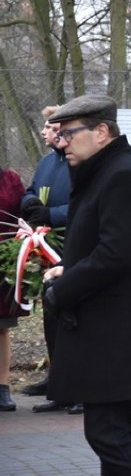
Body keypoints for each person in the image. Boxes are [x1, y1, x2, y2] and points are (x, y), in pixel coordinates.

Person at [42, 94, 131, 474]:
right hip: (114, 329)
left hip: (118, 332)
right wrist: (68, 268)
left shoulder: (122, 174)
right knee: (114, 434)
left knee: (108, 435)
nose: (61, 142)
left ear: (102, 132)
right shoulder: (108, 171)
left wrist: (65, 288)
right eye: (59, 134)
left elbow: (116, 254)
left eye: (69, 133)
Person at [21, 108, 78, 414]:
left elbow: (87, 203)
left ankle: (82, 387)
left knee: (74, 317)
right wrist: (30, 203)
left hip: (73, 246)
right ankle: (59, 382)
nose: (44, 132)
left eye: (49, 126)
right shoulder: (46, 163)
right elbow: (31, 190)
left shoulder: (78, 163)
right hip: (47, 248)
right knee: (52, 317)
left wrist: (53, 215)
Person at [0, 166, 25, 412]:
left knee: (1, 329)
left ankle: (2, 388)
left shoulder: (10, 179)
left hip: (3, 262)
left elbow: (22, 215)